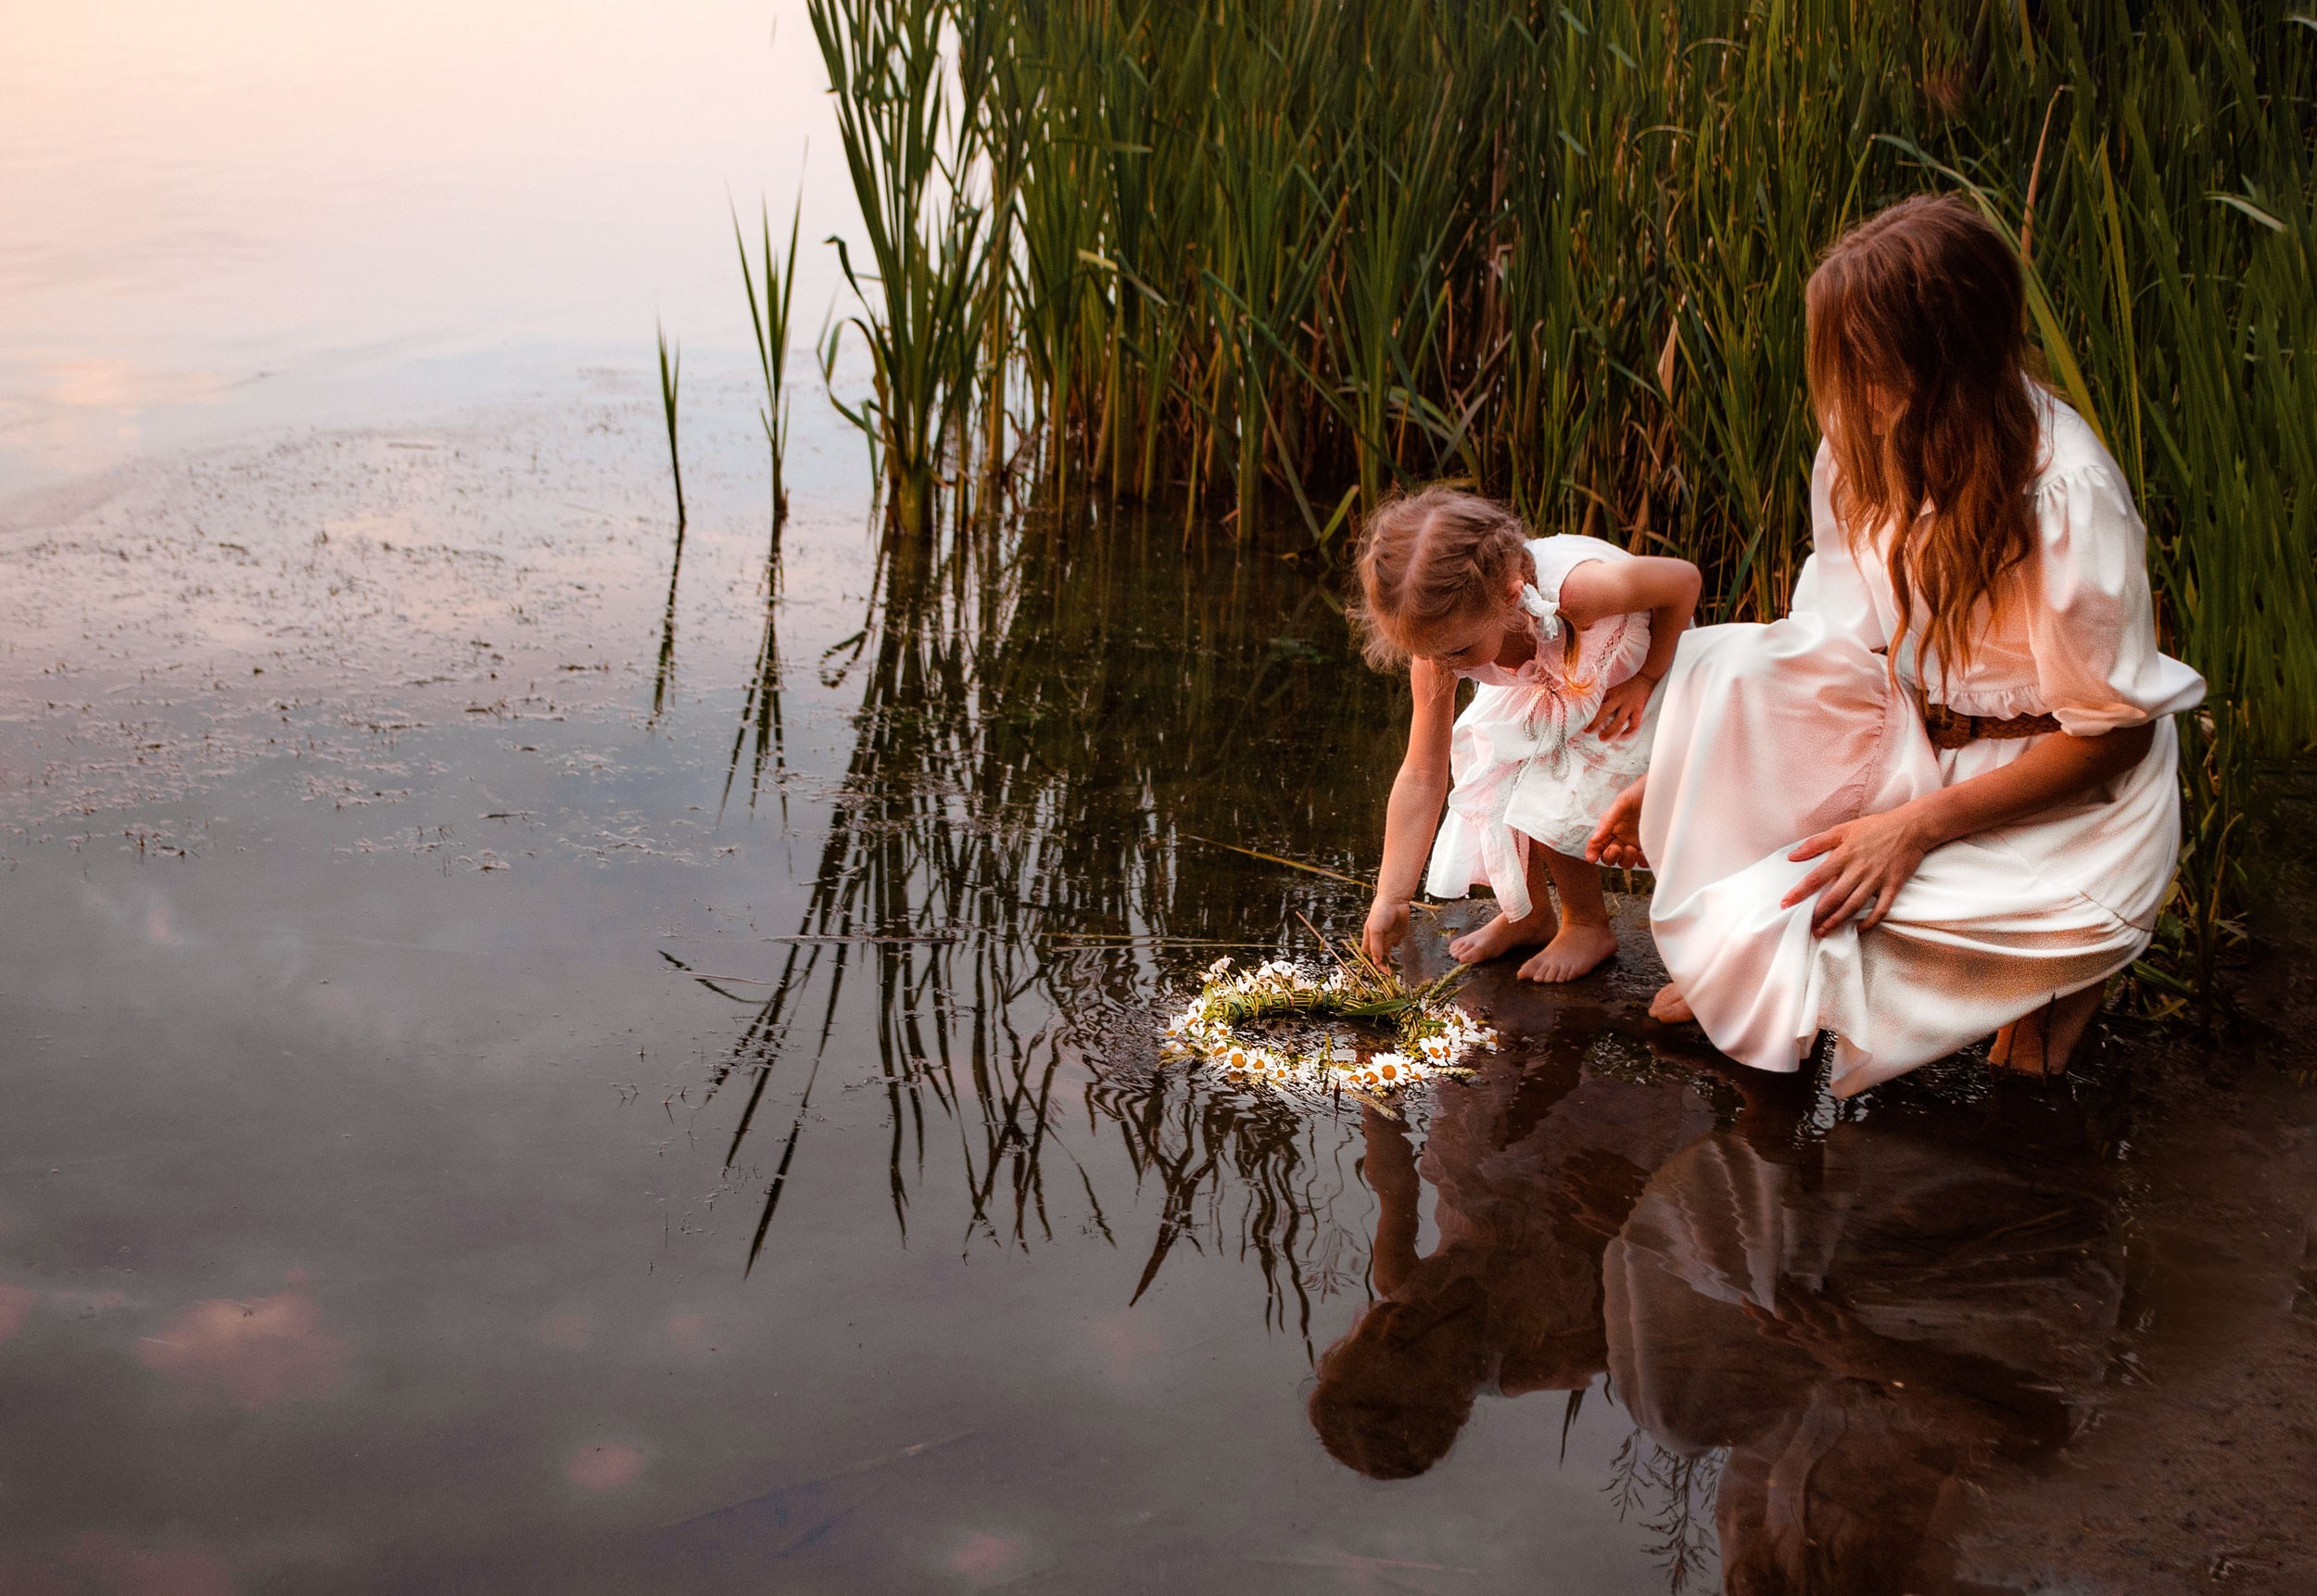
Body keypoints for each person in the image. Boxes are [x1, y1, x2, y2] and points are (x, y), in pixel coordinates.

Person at [1589, 194, 2204, 1093]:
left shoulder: (2064, 494)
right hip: (1916, 744)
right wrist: (1676, 774)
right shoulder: (1860, 445)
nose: (1843, 394)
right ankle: (1752, 950)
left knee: (2007, 1074)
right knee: (1722, 665)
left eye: (1866, 368)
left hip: (2062, 803)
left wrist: (1909, 831)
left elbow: (2116, 737)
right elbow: (1826, 645)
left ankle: (2057, 974)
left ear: (1946, 365)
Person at [1355, 488, 1701, 982]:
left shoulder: (1581, 593)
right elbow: (1421, 773)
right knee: (1486, 758)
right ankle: (1531, 915)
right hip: (1551, 677)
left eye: (1455, 650)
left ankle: (1586, 923)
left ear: (1509, 597)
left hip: (1637, 669)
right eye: (1430, 652)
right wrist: (1392, 894)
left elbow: (1682, 582)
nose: (1443, 665)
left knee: (1546, 773)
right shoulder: (1442, 647)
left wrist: (1647, 677)